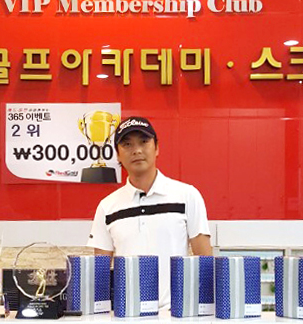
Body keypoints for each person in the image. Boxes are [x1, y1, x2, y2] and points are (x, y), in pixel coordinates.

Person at [87, 116, 212, 308]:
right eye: (127, 144)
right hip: (127, 315)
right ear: (118, 155)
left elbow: (205, 262)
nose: (136, 150)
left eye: (144, 141)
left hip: (176, 315)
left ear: (157, 147)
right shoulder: (107, 206)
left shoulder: (187, 196)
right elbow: (100, 273)